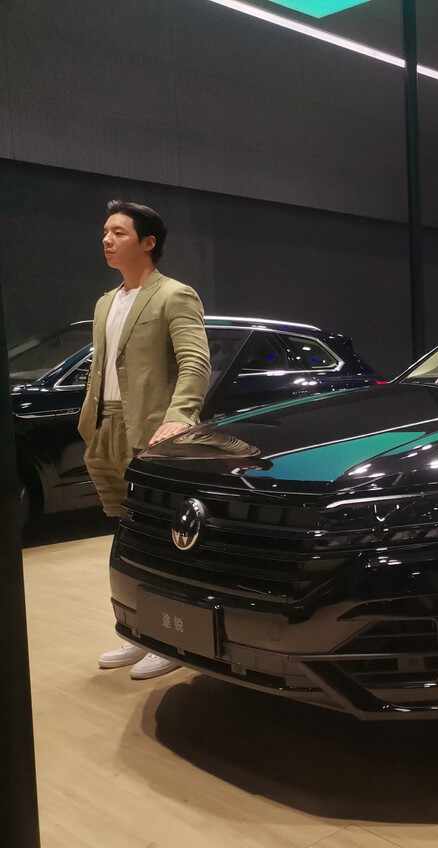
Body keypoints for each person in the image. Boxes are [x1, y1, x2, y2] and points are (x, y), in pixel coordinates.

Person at [80, 201, 211, 679]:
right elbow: (103, 368)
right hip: (106, 430)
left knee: (165, 540)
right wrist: (89, 422)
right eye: (105, 231)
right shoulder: (104, 303)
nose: (107, 239)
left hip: (153, 431)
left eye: (118, 232)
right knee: (127, 535)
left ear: (148, 241)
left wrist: (179, 418)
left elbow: (196, 363)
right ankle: (136, 631)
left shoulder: (174, 295)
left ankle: (175, 641)